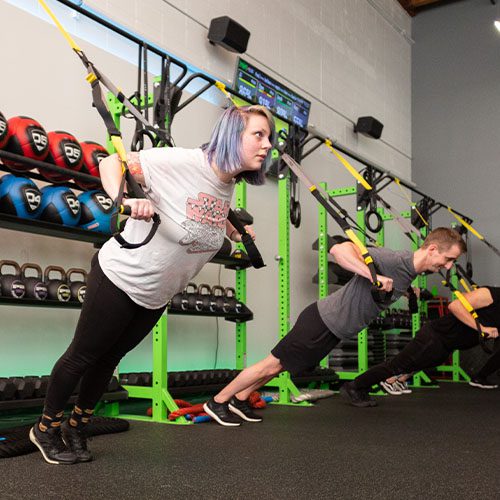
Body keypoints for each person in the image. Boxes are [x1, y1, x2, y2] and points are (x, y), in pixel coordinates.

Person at [29, 105, 275, 464]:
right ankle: (46, 428)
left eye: (268, 137)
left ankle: (76, 427)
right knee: (83, 355)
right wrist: (126, 200)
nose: (267, 144)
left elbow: (195, 213)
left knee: (110, 358)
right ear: (232, 135)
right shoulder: (184, 161)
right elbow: (111, 164)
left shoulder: (227, 184)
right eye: (259, 135)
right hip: (121, 277)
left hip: (157, 293)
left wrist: (233, 229)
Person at [204, 227, 466, 426]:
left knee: (283, 366)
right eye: (449, 259)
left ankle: (241, 399)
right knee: (271, 363)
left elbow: (393, 284)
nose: (448, 266)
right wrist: (374, 276)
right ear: (432, 249)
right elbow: (338, 251)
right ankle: (217, 402)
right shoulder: (394, 260)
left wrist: (409, 291)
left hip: (334, 329)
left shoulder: (409, 272)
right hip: (321, 320)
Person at [341, 285, 500, 406]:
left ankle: (391, 380)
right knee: (396, 366)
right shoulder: (493, 295)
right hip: (435, 337)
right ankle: (355, 386)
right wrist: (482, 329)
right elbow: (455, 306)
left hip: (446, 347)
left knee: (412, 367)